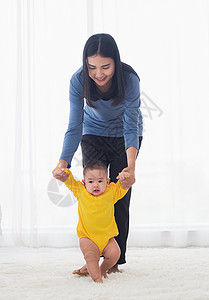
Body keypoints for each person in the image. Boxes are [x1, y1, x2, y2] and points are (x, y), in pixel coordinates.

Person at [53, 33, 143, 274]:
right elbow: (74, 125)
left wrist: (130, 168)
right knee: (93, 195)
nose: (98, 74)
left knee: (119, 196)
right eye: (92, 67)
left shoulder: (129, 79)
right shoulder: (78, 80)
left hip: (126, 137)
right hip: (93, 134)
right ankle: (92, 256)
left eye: (105, 66)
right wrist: (63, 163)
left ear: (116, 61)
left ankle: (113, 262)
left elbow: (131, 124)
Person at [56, 160, 130, 283]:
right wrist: (62, 171)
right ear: (84, 183)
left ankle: (102, 269)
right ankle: (97, 281)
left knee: (115, 253)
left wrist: (125, 177)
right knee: (91, 257)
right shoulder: (80, 191)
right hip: (88, 237)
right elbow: (68, 179)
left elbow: (124, 185)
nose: (95, 185)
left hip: (107, 238)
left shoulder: (111, 192)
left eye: (100, 181)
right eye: (91, 181)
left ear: (107, 182)